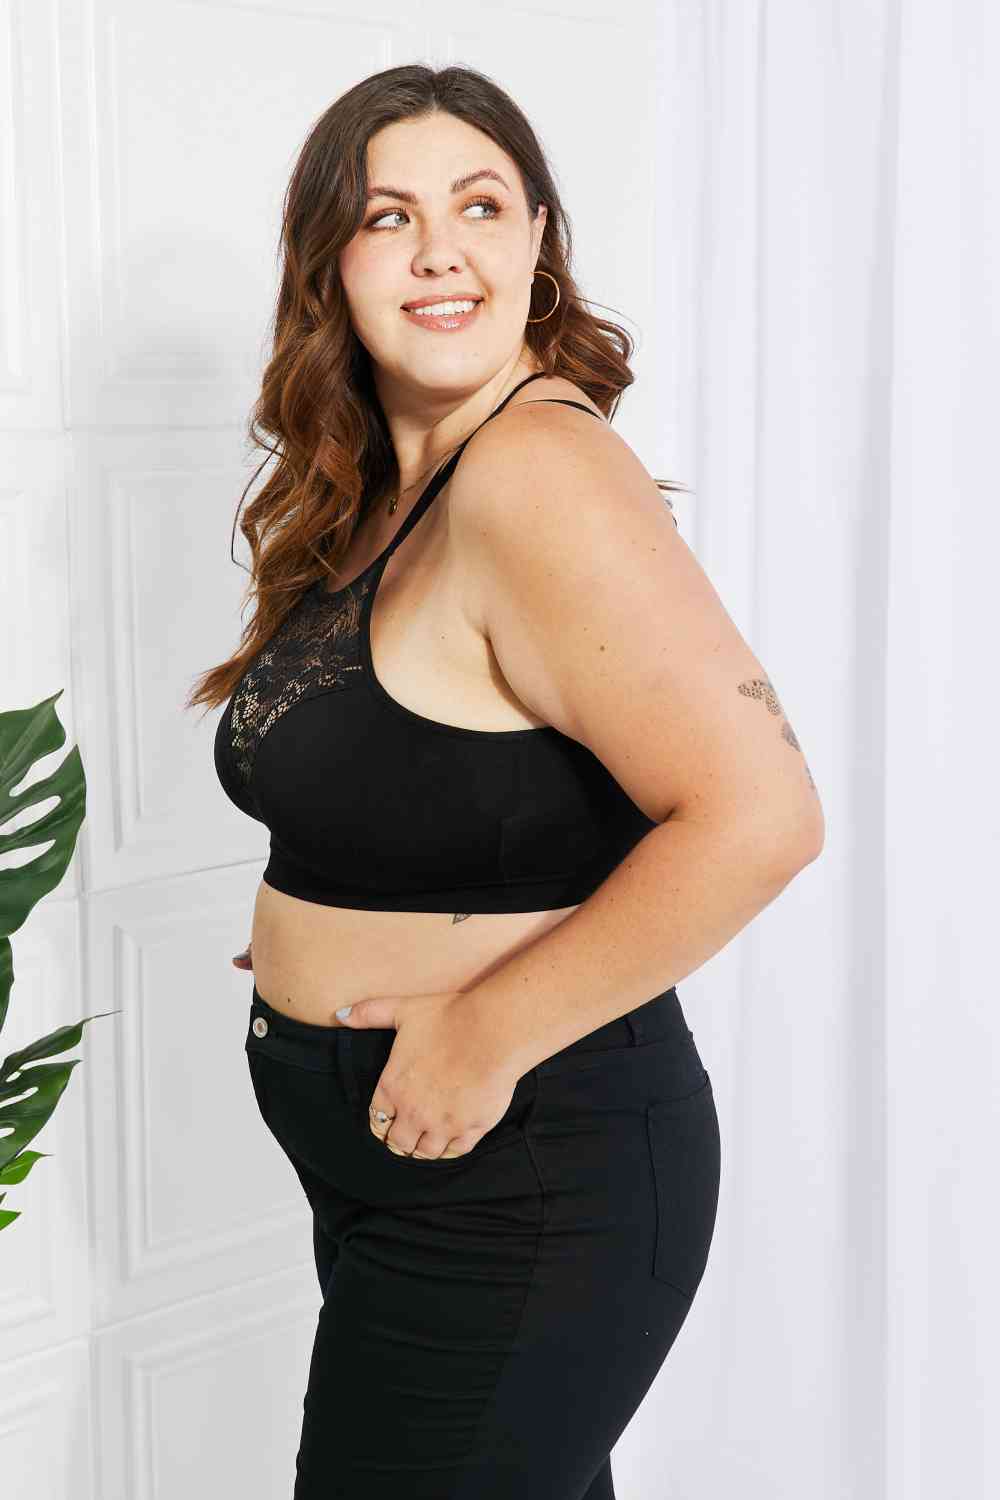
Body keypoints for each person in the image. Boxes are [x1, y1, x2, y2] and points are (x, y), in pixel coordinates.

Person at [192, 63, 824, 1500]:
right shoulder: (384, 487)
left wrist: (481, 1031)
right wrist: (342, 898)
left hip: (524, 1163)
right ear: (329, 261)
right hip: (393, 1156)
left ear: (538, 237)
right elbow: (443, 765)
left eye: (480, 207)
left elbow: (762, 817)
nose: (440, 252)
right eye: (388, 217)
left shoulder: (538, 470)